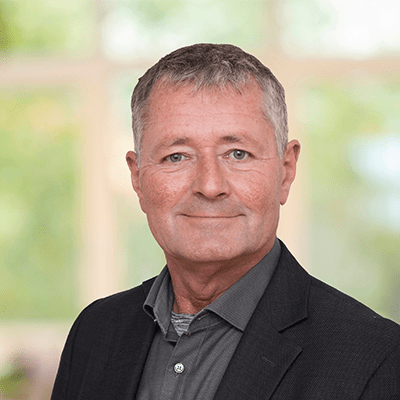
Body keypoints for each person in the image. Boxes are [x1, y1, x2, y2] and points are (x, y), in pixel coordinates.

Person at [51, 43, 400, 400]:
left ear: (285, 171)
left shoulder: (377, 360)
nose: (210, 185)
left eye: (238, 154)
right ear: (138, 178)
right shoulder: (95, 334)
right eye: (177, 156)